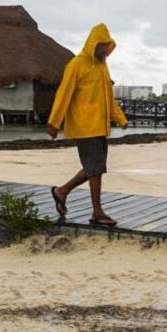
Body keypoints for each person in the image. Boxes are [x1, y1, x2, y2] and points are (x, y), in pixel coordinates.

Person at [46, 23, 128, 226]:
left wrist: (120, 118)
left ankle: (62, 191)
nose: (105, 51)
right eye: (102, 46)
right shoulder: (76, 65)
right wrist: (54, 122)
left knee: (96, 168)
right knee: (95, 168)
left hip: (100, 126)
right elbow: (63, 93)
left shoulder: (102, 67)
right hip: (84, 126)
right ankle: (97, 212)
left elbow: (108, 96)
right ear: (93, 44)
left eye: (107, 47)